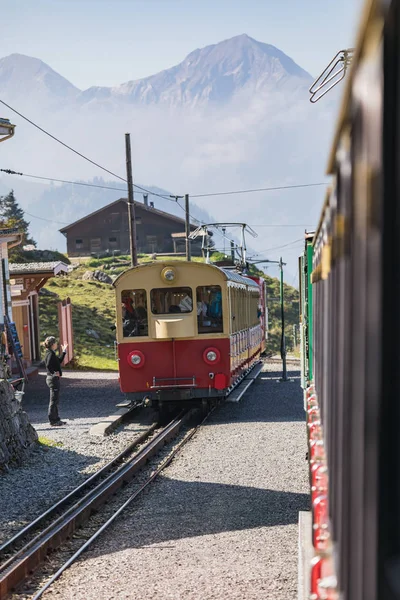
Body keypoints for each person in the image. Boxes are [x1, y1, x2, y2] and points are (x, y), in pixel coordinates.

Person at [43, 336, 68, 427]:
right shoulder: (50, 354)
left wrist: (64, 351)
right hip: (52, 379)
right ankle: (53, 420)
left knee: (55, 400)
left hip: (52, 378)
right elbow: (48, 364)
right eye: (56, 343)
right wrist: (53, 373)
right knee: (53, 400)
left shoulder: (50, 353)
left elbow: (59, 360)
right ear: (53, 344)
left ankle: (56, 418)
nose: (57, 344)